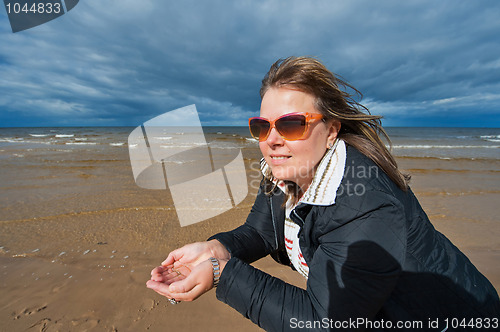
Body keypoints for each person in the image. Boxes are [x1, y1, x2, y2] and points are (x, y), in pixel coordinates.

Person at [147, 56, 500, 331]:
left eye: (290, 124)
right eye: (261, 126)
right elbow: (260, 231)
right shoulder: (283, 171)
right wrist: (215, 249)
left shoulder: (365, 204)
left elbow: (325, 322)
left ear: (331, 131)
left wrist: (223, 273)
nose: (271, 140)